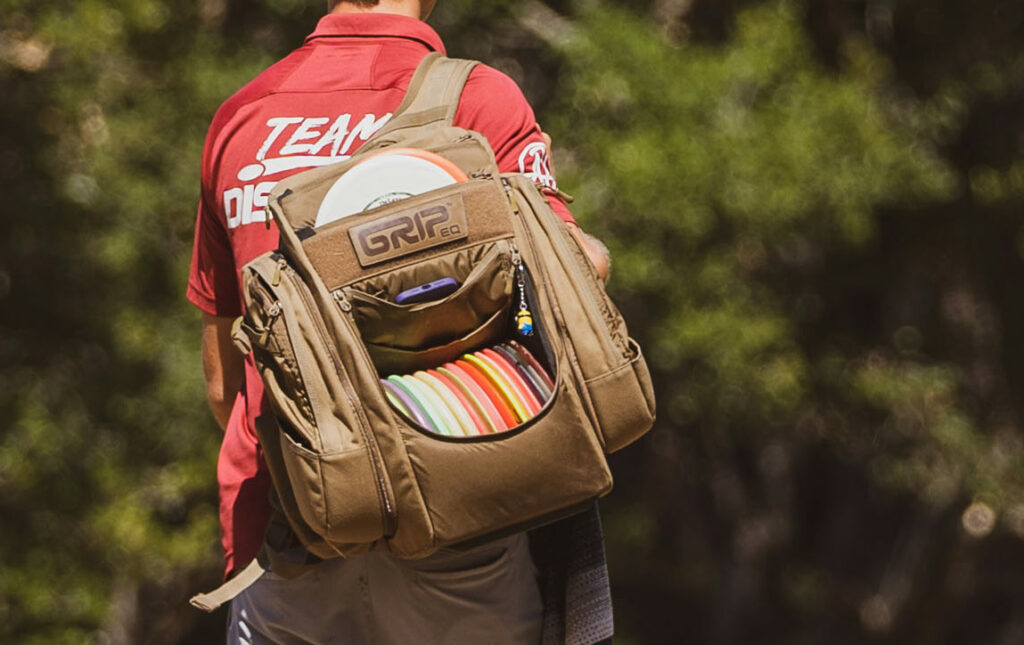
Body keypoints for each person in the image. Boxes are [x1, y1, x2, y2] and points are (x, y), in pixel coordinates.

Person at [188, 1, 613, 642]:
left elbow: (227, 392)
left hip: (294, 532)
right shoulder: (479, 101)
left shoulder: (242, 118)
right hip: (458, 524)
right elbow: (581, 277)